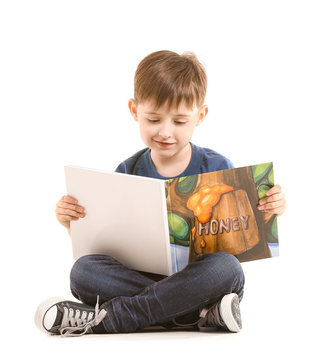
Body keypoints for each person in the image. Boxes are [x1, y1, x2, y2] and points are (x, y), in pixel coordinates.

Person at [34, 50, 286, 336]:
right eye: (153, 119)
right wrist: (73, 225)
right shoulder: (126, 171)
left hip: (201, 278)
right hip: (142, 278)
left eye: (179, 122)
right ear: (134, 110)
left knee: (227, 269)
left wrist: (270, 209)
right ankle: (197, 314)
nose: (166, 132)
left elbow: (244, 234)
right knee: (83, 272)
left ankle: (112, 319)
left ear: (200, 115)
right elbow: (107, 245)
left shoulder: (218, 168)